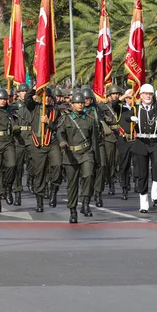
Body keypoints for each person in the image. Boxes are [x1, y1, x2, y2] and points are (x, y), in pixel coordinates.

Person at [122, 84, 157, 213]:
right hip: (141, 141)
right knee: (143, 172)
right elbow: (125, 116)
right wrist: (131, 118)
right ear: (141, 95)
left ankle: (155, 193)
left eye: (150, 94)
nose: (148, 96)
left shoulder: (156, 108)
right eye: (146, 94)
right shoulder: (136, 108)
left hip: (155, 141)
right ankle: (143, 202)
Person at [58, 91, 100, 223]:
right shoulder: (65, 118)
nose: (80, 105)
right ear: (72, 104)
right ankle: (72, 210)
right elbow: (60, 133)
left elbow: (94, 140)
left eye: (82, 103)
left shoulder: (90, 119)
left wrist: (97, 159)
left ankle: (86, 202)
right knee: (72, 184)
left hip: (86, 152)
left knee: (88, 175)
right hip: (71, 154)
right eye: (77, 103)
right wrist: (62, 142)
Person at [25, 87, 62, 212]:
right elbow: (27, 99)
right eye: (45, 97)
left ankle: (54, 190)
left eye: (49, 97)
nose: (47, 99)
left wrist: (48, 122)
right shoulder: (34, 107)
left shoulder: (55, 111)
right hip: (38, 144)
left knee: (57, 165)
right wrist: (34, 88)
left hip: (51, 143)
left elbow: (58, 127)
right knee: (39, 173)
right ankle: (39, 201)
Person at [81, 86, 108, 207]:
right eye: (84, 99)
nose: (86, 101)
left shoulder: (97, 110)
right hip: (85, 145)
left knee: (102, 166)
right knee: (88, 171)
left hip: (99, 142)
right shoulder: (78, 112)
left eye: (88, 98)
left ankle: (98, 193)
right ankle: (87, 193)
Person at [99, 84, 123, 196]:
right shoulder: (103, 107)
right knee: (109, 161)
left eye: (117, 94)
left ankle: (122, 182)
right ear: (108, 95)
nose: (116, 96)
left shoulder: (122, 106)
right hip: (109, 136)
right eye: (113, 94)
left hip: (121, 135)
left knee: (118, 159)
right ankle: (110, 182)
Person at [11, 83, 33, 205]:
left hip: (31, 137)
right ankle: (17, 191)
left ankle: (30, 180)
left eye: (26, 91)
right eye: (22, 91)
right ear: (18, 93)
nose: (24, 93)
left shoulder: (32, 105)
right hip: (19, 138)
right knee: (18, 167)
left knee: (33, 164)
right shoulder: (13, 106)